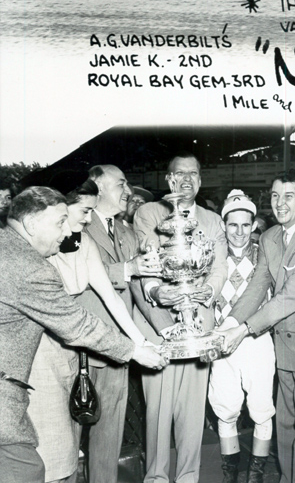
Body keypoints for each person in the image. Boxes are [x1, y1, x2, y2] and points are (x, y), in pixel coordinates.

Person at [0, 187, 165, 483]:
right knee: (31, 471)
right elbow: (77, 324)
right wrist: (136, 351)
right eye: (60, 222)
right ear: (32, 224)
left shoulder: (6, 246)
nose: (66, 232)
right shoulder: (29, 267)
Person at [219, 171, 295, 483]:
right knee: (285, 427)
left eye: (288, 196)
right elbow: (257, 287)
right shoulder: (270, 237)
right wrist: (228, 324)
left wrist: (243, 330)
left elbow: (289, 298)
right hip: (282, 345)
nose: (279, 203)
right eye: (274, 195)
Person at [132, 156, 228, 483]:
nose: (187, 180)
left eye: (193, 174)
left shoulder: (213, 220)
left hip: (200, 325)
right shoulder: (148, 213)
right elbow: (145, 257)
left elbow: (219, 266)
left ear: (201, 180)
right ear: (169, 179)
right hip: (160, 328)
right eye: (180, 174)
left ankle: (189, 477)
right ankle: (156, 478)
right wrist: (157, 291)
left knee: (192, 414)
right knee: (158, 412)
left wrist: (210, 291)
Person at [77, 166, 162, 483]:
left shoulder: (126, 232)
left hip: (119, 349)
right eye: (121, 184)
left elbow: (138, 290)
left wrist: (160, 327)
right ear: (97, 185)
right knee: (71, 437)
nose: (128, 191)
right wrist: (127, 268)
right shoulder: (76, 225)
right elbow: (79, 279)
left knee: (109, 436)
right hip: (81, 347)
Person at [209, 191, 276, 483]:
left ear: (254, 225)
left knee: (261, 409)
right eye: (233, 225)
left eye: (245, 225)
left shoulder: (266, 253)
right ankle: (230, 475)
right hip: (221, 340)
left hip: (256, 339)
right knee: (226, 409)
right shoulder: (212, 254)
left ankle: (255, 476)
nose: (239, 232)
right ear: (224, 225)